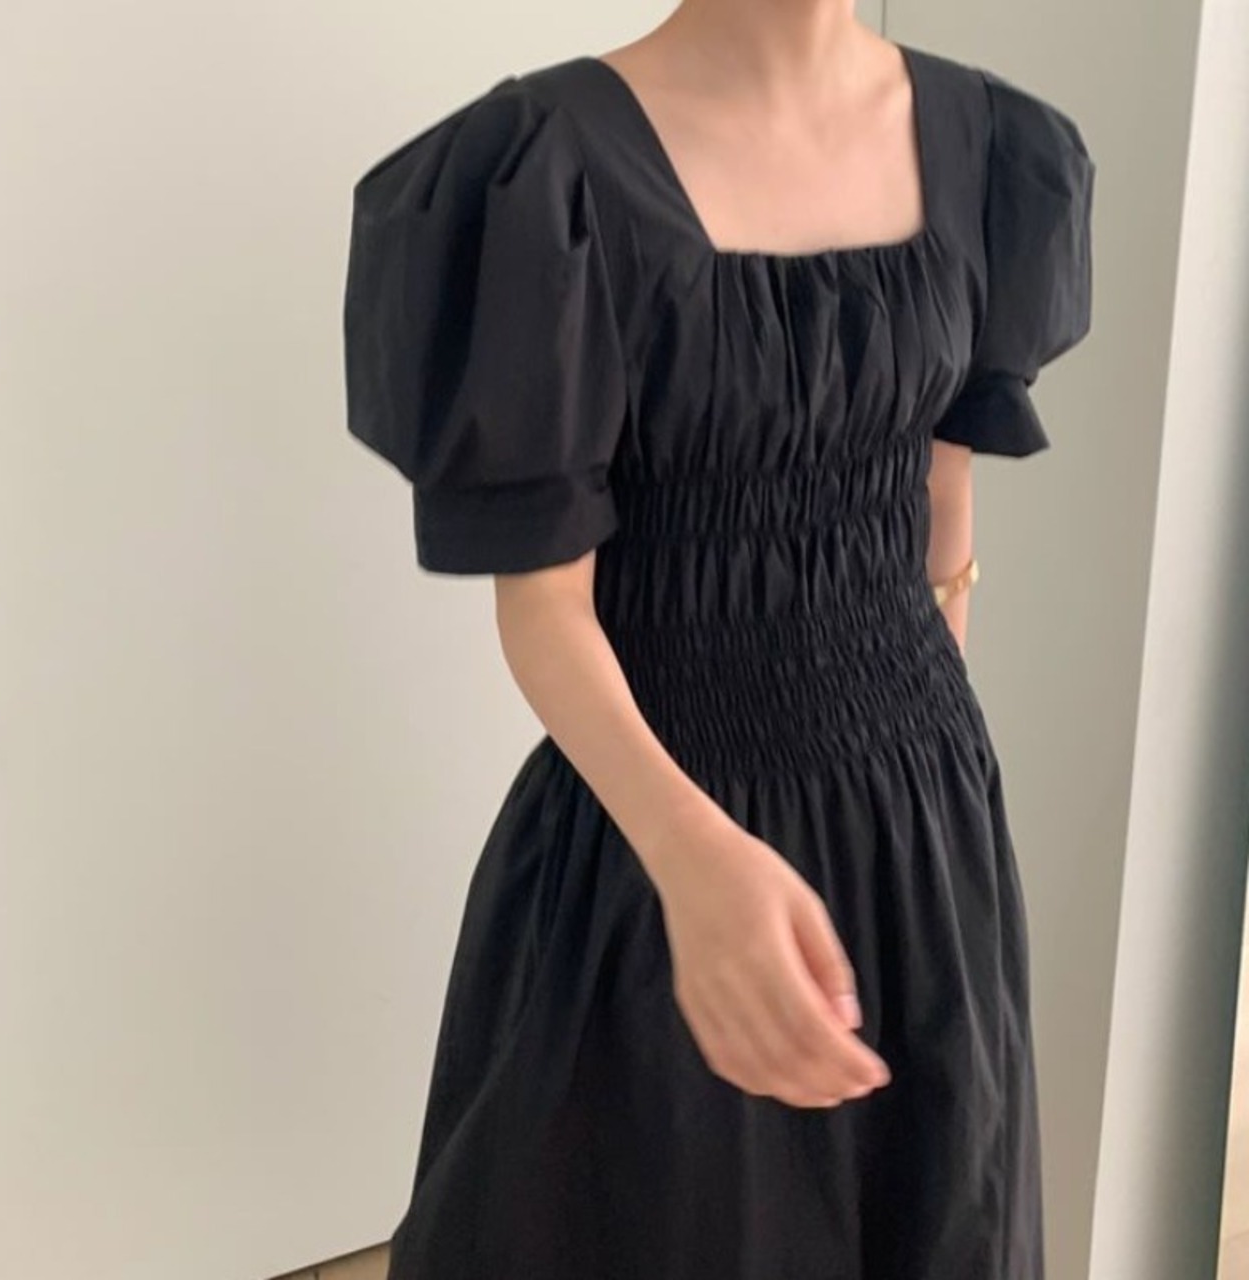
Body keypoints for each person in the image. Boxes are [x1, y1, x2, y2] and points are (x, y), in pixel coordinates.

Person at [342, 1, 1095, 1275]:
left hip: (922, 830)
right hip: (655, 837)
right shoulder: (542, 169)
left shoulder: (988, 144)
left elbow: (940, 512)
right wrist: (696, 866)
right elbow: (544, 610)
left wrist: (911, 777)